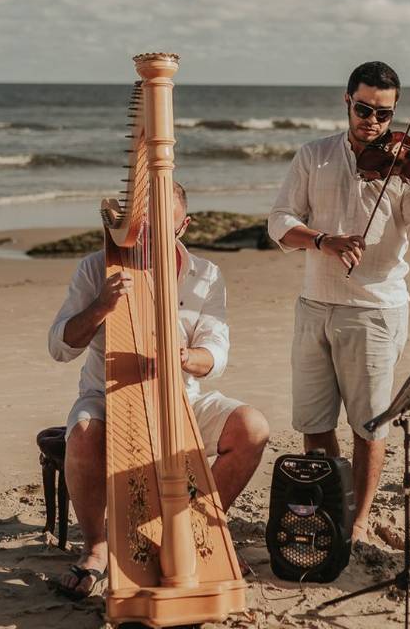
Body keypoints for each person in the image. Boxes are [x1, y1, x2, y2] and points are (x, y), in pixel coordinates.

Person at [48, 182, 270, 598]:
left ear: (183, 226)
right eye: (141, 226)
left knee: (252, 427)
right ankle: (95, 548)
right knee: (81, 432)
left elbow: (216, 354)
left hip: (184, 396)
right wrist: (100, 306)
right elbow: (59, 347)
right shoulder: (96, 269)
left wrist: (185, 357)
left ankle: (196, 532)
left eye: (160, 227)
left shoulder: (206, 275)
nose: (147, 235)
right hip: (107, 395)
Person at [267, 61, 410, 542]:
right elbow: (279, 221)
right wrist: (322, 240)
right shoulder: (314, 155)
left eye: (383, 114)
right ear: (346, 102)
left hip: (375, 310)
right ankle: (334, 503)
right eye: (363, 108)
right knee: (313, 422)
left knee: (370, 425)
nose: (372, 121)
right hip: (314, 305)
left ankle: (359, 520)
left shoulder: (407, 168)